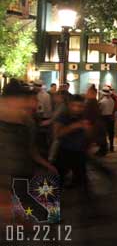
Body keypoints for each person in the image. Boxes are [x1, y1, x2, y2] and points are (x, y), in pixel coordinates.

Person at [0, 80, 57, 224]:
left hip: (22, 172)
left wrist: (45, 164)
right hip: (6, 177)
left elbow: (30, 148)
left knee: (24, 204)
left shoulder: (27, 121)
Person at [53, 95, 91, 194]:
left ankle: (88, 204)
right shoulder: (63, 116)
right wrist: (75, 126)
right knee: (57, 180)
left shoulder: (83, 116)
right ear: (69, 105)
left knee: (83, 181)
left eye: (80, 106)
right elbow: (57, 134)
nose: (77, 109)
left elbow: (88, 135)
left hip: (79, 152)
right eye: (75, 105)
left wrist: (88, 130)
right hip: (64, 151)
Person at [99, 86, 117, 153]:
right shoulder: (112, 100)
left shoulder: (102, 101)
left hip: (104, 118)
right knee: (111, 133)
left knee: (103, 134)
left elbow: (100, 110)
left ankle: (104, 147)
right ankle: (111, 146)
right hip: (111, 117)